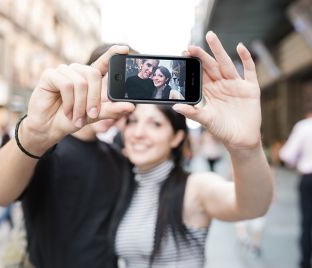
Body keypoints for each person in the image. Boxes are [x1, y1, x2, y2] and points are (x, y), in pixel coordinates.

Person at [110, 31, 274, 267]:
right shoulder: (126, 183)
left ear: (177, 137)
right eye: (133, 121)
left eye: (155, 124)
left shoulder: (193, 187)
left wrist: (246, 149)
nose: (138, 133)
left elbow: (252, 206)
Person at [0, 45, 135, 268]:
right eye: (114, 85)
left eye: (129, 94)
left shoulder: (118, 158)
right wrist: (34, 136)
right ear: (88, 79)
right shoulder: (46, 146)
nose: (118, 102)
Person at [280, 105, 312, 268]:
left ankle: (305, 261)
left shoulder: (303, 127)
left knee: (307, 222)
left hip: (308, 179)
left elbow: (287, 155)